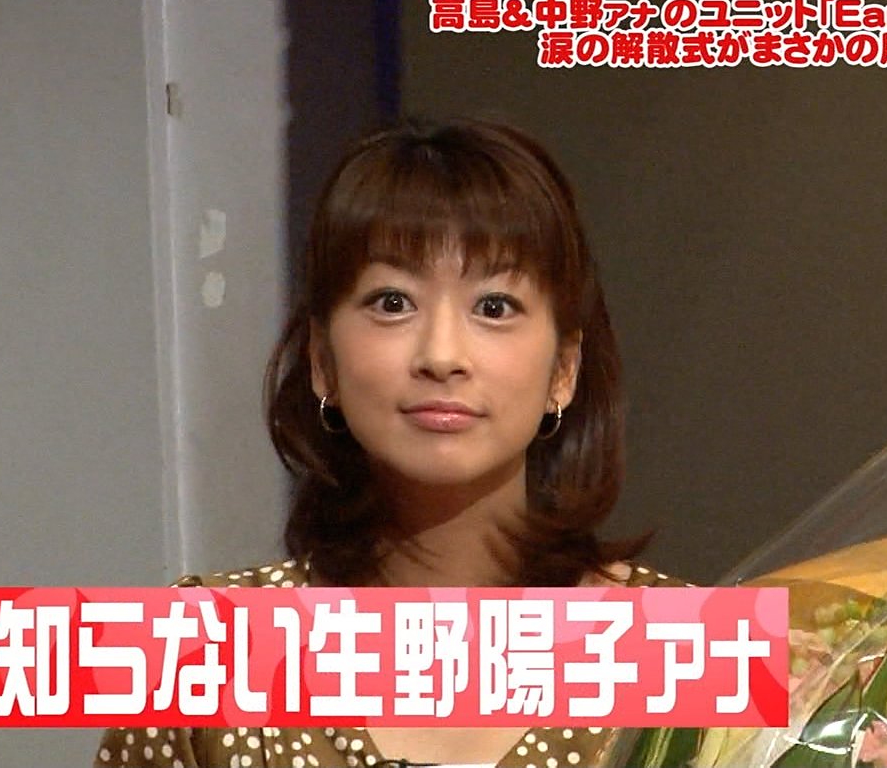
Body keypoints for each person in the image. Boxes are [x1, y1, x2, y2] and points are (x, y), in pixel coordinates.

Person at [94, 118, 686, 768]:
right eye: (392, 302)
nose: (442, 355)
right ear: (323, 360)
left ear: (564, 370)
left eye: (493, 307)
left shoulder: (688, 650)